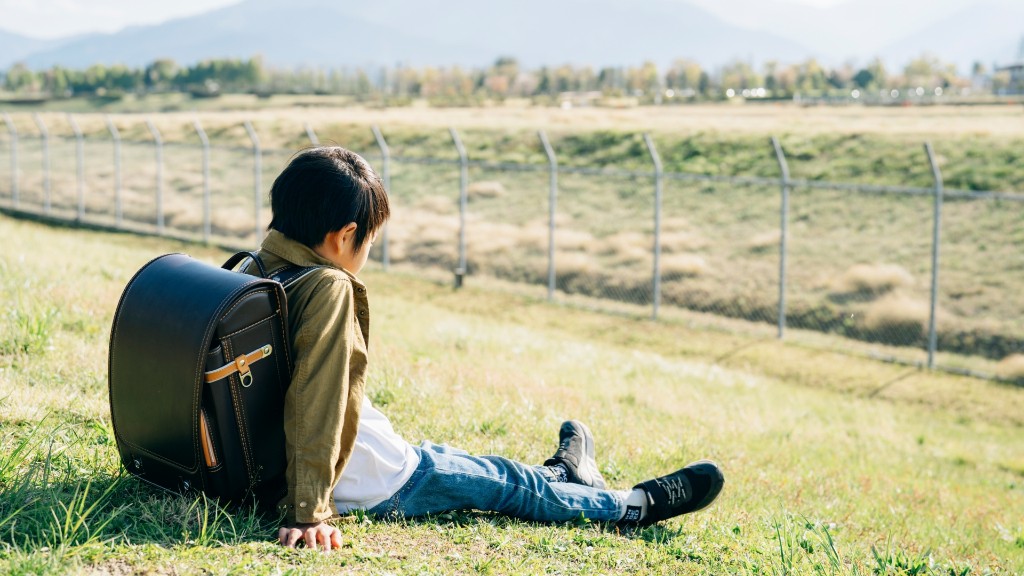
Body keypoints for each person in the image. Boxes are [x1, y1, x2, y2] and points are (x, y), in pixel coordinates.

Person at [249, 146, 725, 551]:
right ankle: (633, 505)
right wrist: (308, 511)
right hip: (378, 479)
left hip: (359, 456)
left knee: (477, 467)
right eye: (370, 240)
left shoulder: (250, 273)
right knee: (509, 488)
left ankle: (566, 472)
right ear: (345, 236)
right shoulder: (329, 286)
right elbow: (319, 394)